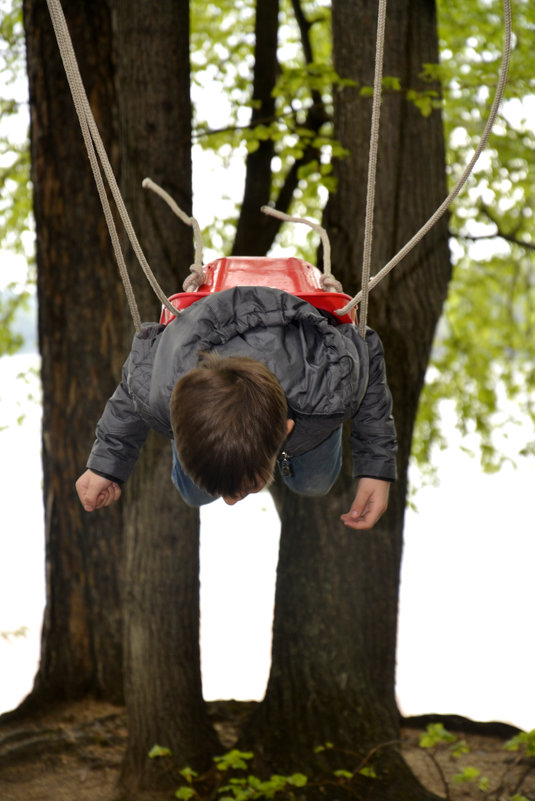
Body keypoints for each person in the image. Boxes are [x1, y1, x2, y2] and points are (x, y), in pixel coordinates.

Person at [75, 285, 397, 530]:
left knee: (314, 483)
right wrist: (106, 465)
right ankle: (211, 454)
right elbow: (131, 387)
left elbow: (367, 346)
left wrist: (375, 470)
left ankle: (282, 461)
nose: (231, 503)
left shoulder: (332, 386)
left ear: (286, 430)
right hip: (203, 360)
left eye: (249, 486)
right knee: (196, 493)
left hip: (309, 399)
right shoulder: (160, 392)